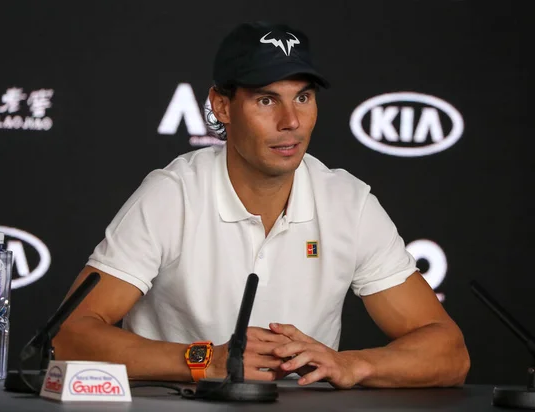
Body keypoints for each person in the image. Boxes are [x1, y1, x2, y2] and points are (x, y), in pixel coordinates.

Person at [53, 21, 470, 388]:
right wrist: (206, 359)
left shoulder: (348, 202)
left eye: (303, 98)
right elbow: (69, 336)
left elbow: (449, 352)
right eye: (266, 100)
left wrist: (351, 364)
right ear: (222, 106)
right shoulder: (174, 194)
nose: (291, 121)